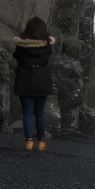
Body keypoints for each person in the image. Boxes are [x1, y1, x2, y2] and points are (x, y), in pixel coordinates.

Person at [12, 17, 57, 151]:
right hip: (42, 82)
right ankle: (42, 142)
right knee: (40, 111)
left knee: (27, 111)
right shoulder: (47, 47)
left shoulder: (21, 46)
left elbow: (16, 56)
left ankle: (29, 141)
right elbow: (49, 53)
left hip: (25, 80)